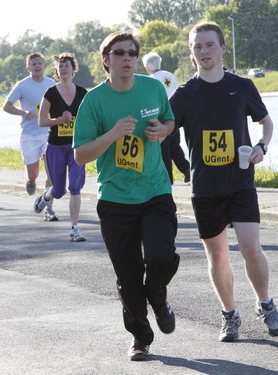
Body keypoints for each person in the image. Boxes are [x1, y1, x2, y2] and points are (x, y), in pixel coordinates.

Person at [169, 21, 278, 342]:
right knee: (218, 256)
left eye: (209, 45)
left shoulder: (243, 86)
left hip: (240, 183)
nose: (204, 51)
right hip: (205, 188)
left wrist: (262, 146)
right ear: (192, 55)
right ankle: (229, 315)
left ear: (222, 48)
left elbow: (266, 122)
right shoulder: (183, 95)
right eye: (197, 47)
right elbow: (164, 132)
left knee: (250, 247)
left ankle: (265, 304)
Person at [73, 32, 180, 361]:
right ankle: (140, 337)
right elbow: (80, 155)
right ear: (106, 59)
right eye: (119, 53)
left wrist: (163, 130)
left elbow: (170, 120)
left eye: (132, 53)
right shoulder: (94, 101)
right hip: (116, 199)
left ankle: (158, 296)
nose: (127, 58)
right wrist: (113, 133)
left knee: (162, 257)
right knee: (128, 276)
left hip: (155, 190)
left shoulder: (152, 87)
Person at [34, 53, 88, 241]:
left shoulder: (82, 93)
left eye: (67, 66)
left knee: (75, 187)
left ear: (74, 69)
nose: (64, 69)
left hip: (76, 147)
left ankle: (75, 228)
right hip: (55, 146)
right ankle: (46, 197)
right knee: (59, 190)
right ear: (57, 71)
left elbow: (90, 118)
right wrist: (60, 120)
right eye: (60, 67)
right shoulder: (50, 93)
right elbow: (41, 121)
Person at [3, 53, 58, 221]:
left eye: (40, 63)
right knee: (33, 173)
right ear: (28, 68)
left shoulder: (52, 84)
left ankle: (49, 208)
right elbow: (6, 106)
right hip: (29, 135)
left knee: (51, 172)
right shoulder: (22, 85)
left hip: (48, 133)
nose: (37, 66)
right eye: (33, 64)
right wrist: (23, 112)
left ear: (44, 65)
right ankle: (31, 180)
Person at [142, 52, 190, 184]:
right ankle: (187, 169)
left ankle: (167, 179)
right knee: (175, 146)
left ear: (147, 66)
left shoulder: (150, 80)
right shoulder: (171, 76)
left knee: (164, 149)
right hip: (175, 117)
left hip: (160, 118)